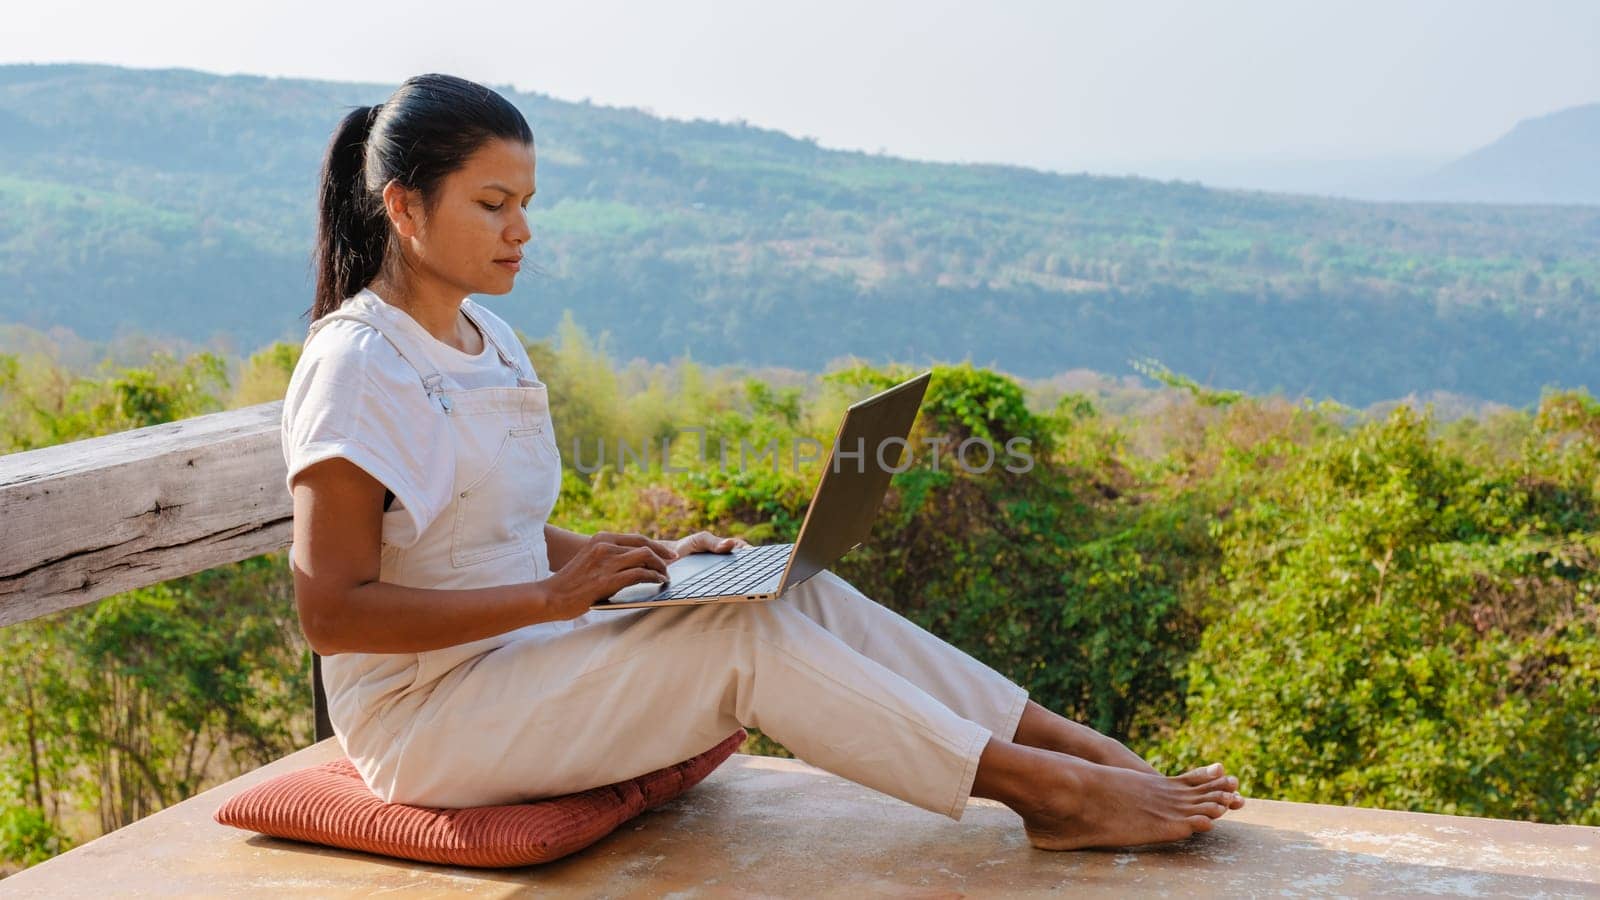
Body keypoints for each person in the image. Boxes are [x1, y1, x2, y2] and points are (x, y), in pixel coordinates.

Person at [282, 73, 1244, 851]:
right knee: (739, 642)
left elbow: (480, 531)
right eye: (493, 205)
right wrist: (552, 599)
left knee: (783, 587)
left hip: (522, 663)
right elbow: (330, 612)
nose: (521, 232)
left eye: (526, 203)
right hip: (432, 717)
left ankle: (1083, 750)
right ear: (404, 208)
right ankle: (1051, 795)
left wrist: (650, 561)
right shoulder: (360, 363)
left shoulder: (486, 338)